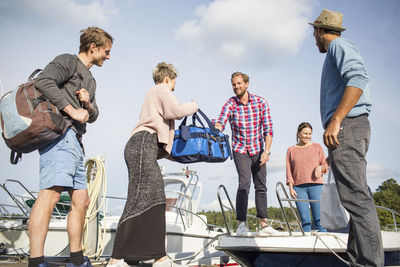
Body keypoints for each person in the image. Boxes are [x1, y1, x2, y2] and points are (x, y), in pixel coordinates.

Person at [29, 27, 113, 267]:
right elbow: (43, 81)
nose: (108, 56)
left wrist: (87, 104)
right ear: (93, 47)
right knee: (50, 196)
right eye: (106, 51)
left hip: (76, 142)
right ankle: (35, 261)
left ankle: (76, 260)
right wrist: (72, 108)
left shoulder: (92, 80)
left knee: (82, 201)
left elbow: (93, 115)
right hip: (58, 136)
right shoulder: (68, 61)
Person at [310, 9, 384, 266]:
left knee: (356, 198)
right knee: (355, 197)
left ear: (319, 31)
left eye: (314, 33)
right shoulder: (339, 47)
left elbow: (359, 78)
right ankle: (358, 261)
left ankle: (369, 263)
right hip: (352, 128)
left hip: (347, 127)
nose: (314, 38)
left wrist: (337, 119)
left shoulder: (338, 46)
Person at [107, 62, 198, 267]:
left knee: (156, 197)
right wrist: (194, 105)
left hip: (144, 147)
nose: (174, 86)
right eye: (174, 82)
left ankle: (149, 256)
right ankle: (115, 259)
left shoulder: (155, 94)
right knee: (138, 199)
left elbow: (162, 138)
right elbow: (176, 110)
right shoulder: (160, 89)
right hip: (141, 145)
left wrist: (180, 157)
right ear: (168, 78)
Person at [214, 71, 278, 235]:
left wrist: (267, 151)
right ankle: (242, 224)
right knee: (244, 184)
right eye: (234, 84)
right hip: (240, 149)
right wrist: (218, 127)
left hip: (258, 149)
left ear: (247, 84)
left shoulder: (260, 102)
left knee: (261, 185)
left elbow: (268, 129)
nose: (236, 87)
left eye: (239, 83)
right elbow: (222, 120)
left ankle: (264, 224)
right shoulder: (231, 103)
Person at [286, 122, 328, 232]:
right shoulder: (291, 150)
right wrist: (290, 188)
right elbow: (289, 171)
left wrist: (321, 168)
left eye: (309, 134)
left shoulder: (317, 147)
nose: (307, 136)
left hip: (316, 186)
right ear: (298, 133)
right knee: (305, 220)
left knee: (319, 220)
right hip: (298, 188)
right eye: (305, 133)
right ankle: (307, 243)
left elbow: (325, 165)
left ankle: (324, 244)